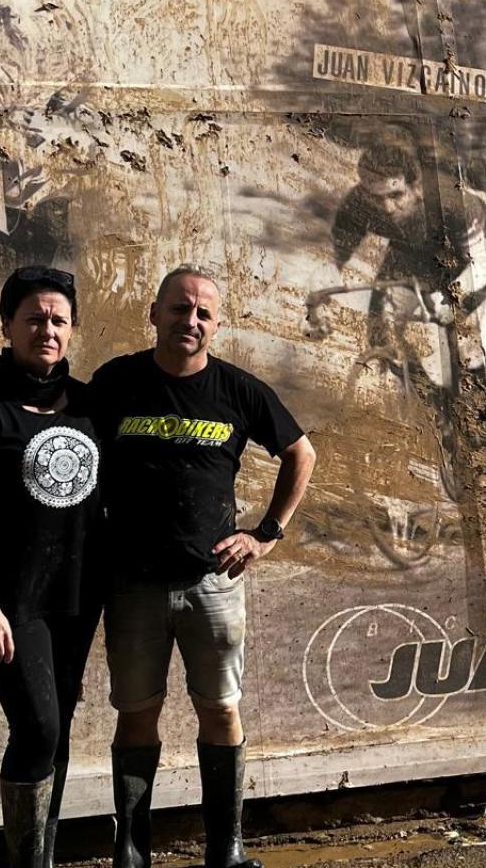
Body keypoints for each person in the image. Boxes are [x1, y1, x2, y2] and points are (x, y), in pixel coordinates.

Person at [88, 265, 317, 868]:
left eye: (203, 313)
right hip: (132, 585)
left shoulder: (239, 391)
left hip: (212, 585)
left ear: (215, 324)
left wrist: (266, 534)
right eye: (179, 308)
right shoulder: (115, 382)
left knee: (219, 708)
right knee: (137, 714)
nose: (190, 321)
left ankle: (227, 850)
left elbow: (301, 452)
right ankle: (132, 853)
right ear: (154, 312)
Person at [0, 267, 104, 868]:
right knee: (37, 729)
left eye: (59, 320)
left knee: (55, 730)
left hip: (77, 597)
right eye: (34, 319)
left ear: (72, 329)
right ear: (7, 327)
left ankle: (45, 855)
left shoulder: (89, 404)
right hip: (8, 602)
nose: (47, 330)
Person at [330, 136, 486, 392]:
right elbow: (335, 255)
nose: (386, 207)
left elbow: (479, 268)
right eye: (375, 198)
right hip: (407, 255)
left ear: (416, 186)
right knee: (381, 329)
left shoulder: (458, 206)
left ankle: (485, 410)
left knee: (465, 344)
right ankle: (419, 391)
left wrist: (447, 299)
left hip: (460, 261)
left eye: (396, 195)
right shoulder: (360, 201)